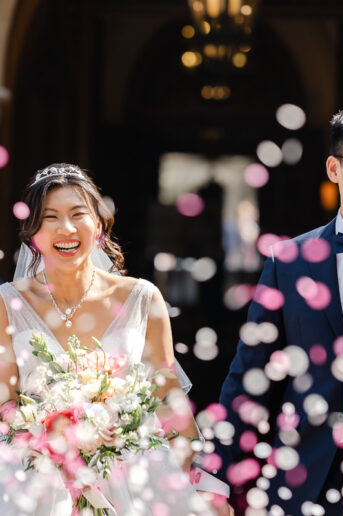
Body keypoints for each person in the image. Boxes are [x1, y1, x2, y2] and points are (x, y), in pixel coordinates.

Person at [0, 163, 230, 515]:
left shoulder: (141, 298)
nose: (66, 229)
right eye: (50, 217)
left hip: (131, 474)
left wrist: (179, 474)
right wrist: (53, 442)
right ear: (32, 231)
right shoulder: (7, 303)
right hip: (39, 479)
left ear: (99, 225)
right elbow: (6, 405)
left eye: (78, 214)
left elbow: (167, 395)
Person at [216, 103, 343, 515]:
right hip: (302, 481)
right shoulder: (288, 260)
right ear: (335, 168)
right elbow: (251, 374)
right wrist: (215, 476)